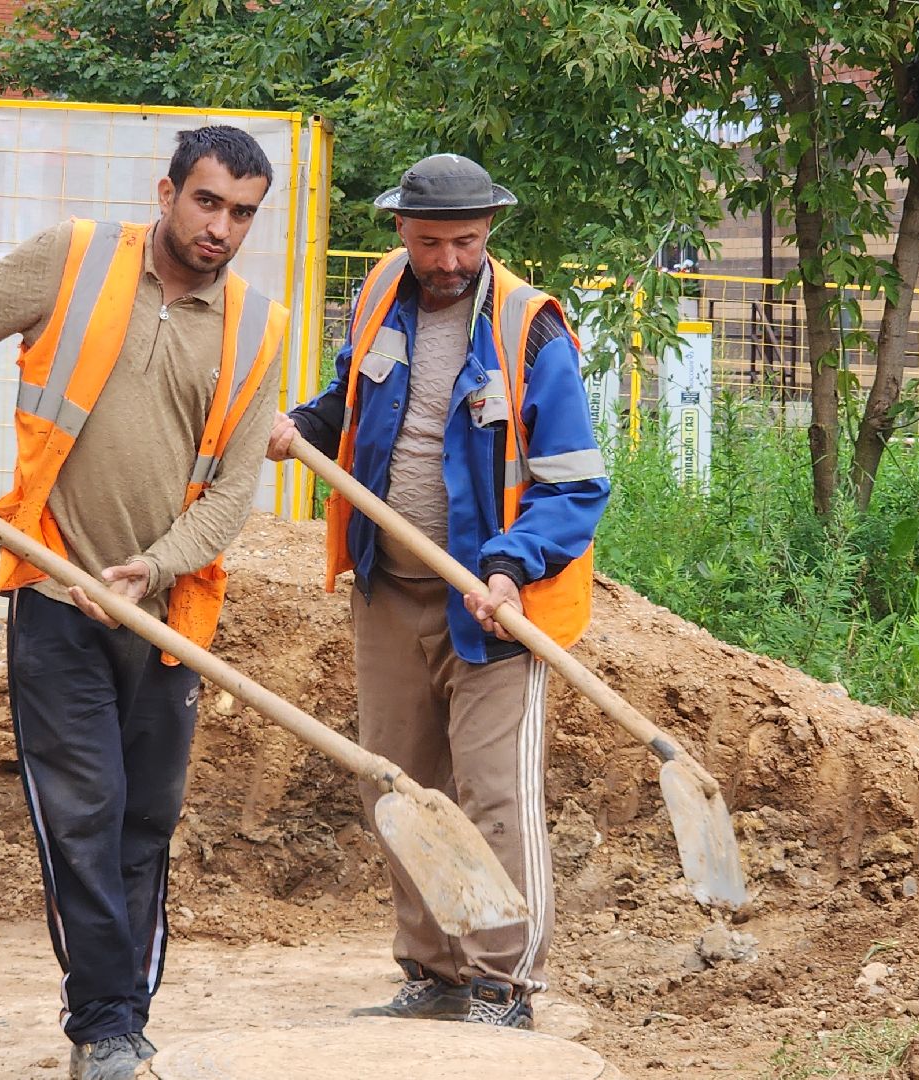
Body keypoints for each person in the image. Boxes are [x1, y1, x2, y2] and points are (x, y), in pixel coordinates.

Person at [0, 126, 288, 1080]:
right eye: (207, 203)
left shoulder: (257, 325)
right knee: (84, 811)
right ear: (167, 193)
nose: (222, 227)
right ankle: (108, 1029)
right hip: (53, 591)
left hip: (167, 614)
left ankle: (123, 1013)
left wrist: (152, 568)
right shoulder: (74, 261)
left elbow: (236, 490)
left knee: (144, 823)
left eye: (242, 213)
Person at [266, 153, 608, 1031]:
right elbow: (350, 397)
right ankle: (434, 973)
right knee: (400, 786)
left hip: (498, 604)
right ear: (400, 234)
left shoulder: (531, 329)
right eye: (429, 242)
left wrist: (510, 564)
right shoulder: (382, 291)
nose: (447, 260)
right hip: (389, 588)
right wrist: (303, 424)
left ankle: (504, 986)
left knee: (493, 794)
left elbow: (574, 483)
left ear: (489, 231)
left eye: (464, 241)